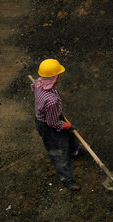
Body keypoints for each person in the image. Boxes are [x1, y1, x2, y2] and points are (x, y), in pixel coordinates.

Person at [31, 59, 81, 190]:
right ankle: (66, 178)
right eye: (59, 73)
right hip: (49, 126)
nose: (60, 75)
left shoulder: (38, 82)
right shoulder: (51, 101)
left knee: (70, 137)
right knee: (59, 151)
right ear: (55, 77)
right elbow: (53, 123)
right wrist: (67, 126)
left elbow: (33, 88)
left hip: (51, 116)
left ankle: (74, 152)